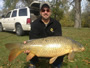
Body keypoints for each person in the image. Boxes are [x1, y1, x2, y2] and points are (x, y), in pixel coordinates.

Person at [24, 2, 64, 68]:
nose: (45, 12)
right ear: (40, 12)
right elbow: (32, 39)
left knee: (62, 50)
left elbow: (58, 40)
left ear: (50, 12)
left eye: (47, 10)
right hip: (38, 49)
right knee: (29, 48)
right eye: (43, 10)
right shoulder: (34, 24)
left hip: (52, 49)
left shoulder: (57, 24)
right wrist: (28, 44)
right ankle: (33, 63)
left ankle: (56, 65)